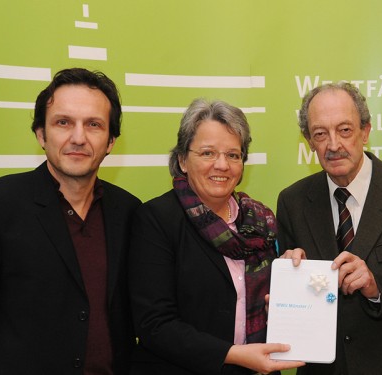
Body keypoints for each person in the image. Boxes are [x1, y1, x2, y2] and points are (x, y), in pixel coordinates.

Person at [0, 68, 141, 374]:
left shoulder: (130, 212)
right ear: (41, 134)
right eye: (63, 122)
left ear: (111, 140)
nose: (78, 137)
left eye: (94, 125)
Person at [277, 82, 382, 374]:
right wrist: (287, 284)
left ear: (365, 131)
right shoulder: (293, 202)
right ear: (309, 140)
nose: (333, 145)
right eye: (321, 134)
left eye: (344, 130)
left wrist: (376, 286)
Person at [128, 99, 304, 375]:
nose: (221, 165)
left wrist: (293, 278)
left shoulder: (261, 223)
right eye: (208, 153)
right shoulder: (156, 219)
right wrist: (233, 355)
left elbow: (273, 307)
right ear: (183, 160)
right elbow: (155, 325)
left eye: (233, 155)